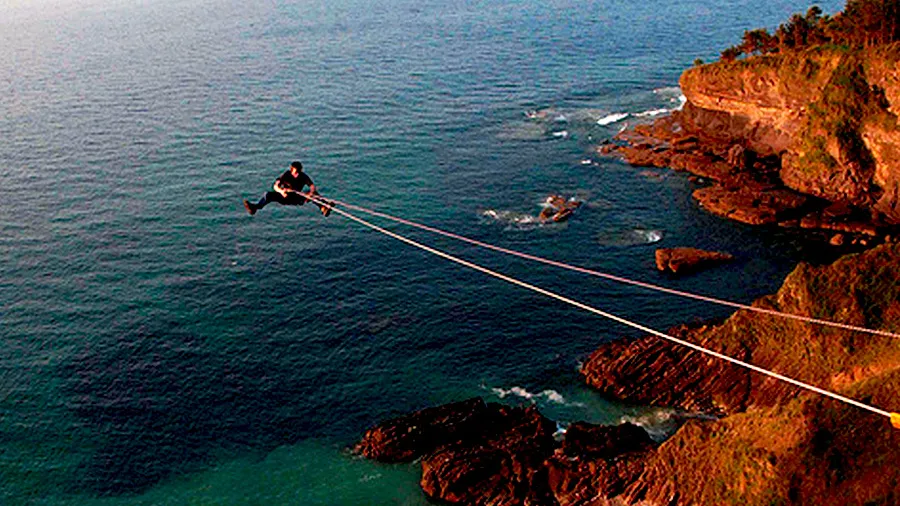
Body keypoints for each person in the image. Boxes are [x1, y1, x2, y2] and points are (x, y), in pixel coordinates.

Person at [243, 161, 333, 217]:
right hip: (285, 197)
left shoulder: (303, 176)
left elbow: (312, 186)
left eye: (298, 172)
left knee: (314, 193)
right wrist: (281, 191)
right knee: (268, 194)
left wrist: (310, 194)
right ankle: (255, 207)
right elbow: (275, 186)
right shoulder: (286, 174)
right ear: (291, 170)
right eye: (295, 172)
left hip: (296, 198)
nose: (297, 174)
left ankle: (323, 207)